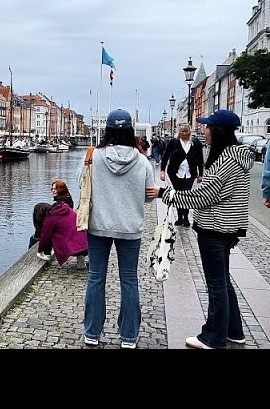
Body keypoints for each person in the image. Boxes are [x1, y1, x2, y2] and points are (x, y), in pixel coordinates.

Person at [159, 109, 252, 349]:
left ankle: (213, 337)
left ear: (218, 130)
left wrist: (165, 194)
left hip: (215, 227)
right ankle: (234, 330)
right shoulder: (233, 155)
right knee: (224, 281)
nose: (203, 130)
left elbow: (203, 196)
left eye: (207, 126)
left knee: (216, 284)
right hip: (227, 228)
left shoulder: (226, 161)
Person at [76, 108, 158, 349]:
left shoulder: (92, 156)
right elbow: (149, 195)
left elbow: (81, 184)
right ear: (131, 131)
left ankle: (92, 332)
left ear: (107, 131)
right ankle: (129, 337)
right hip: (130, 228)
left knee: (95, 278)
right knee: (129, 280)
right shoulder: (142, 160)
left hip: (98, 226)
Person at [160, 124, 204, 227]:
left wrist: (201, 173)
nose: (184, 133)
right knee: (178, 195)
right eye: (182, 131)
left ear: (189, 132)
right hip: (175, 173)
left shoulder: (195, 142)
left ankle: (186, 218)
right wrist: (162, 170)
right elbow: (166, 156)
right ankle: (180, 218)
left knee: (186, 195)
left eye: (186, 131)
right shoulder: (174, 142)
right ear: (179, 132)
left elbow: (200, 158)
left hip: (189, 174)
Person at [37, 197, 88, 265]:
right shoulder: (68, 210)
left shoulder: (51, 218)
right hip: (86, 244)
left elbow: (45, 237)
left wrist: (40, 250)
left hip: (72, 248)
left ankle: (78, 253)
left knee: (53, 234)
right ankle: (80, 256)